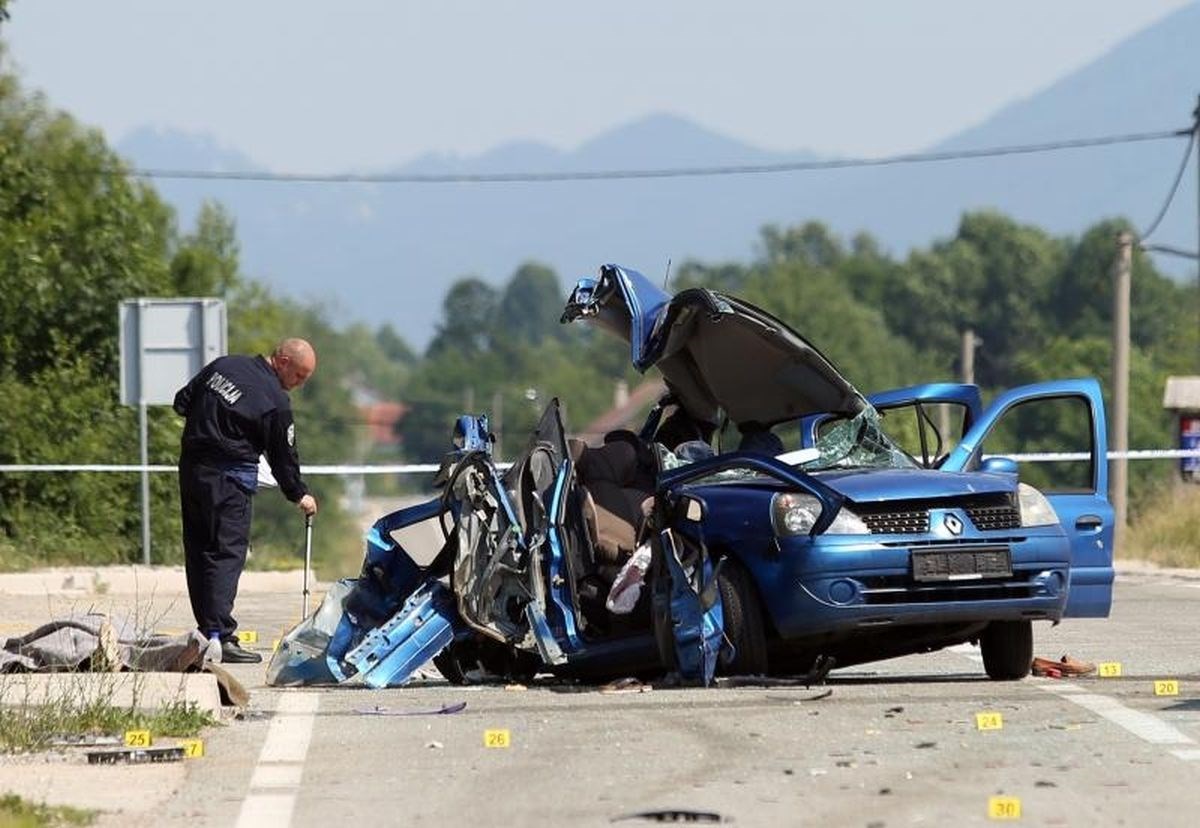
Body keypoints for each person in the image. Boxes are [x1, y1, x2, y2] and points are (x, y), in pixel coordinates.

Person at [173, 338, 319, 664]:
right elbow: (284, 457)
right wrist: (299, 494)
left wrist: (208, 425)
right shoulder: (275, 402)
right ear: (282, 361)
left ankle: (207, 632)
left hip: (192, 471)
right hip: (230, 481)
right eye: (299, 376)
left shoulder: (224, 365)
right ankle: (220, 637)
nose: (299, 384)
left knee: (199, 550)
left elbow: (181, 402)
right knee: (225, 554)